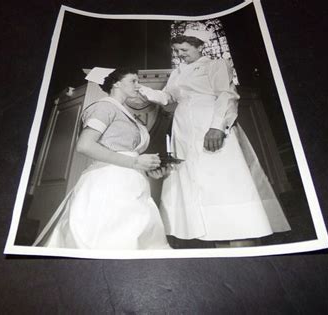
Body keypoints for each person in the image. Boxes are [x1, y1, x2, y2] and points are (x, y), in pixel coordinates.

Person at [140, 29, 291, 244]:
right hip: (184, 132)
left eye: (184, 49)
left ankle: (243, 236)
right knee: (200, 184)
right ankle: (217, 236)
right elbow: (166, 97)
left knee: (223, 182)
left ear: (200, 46)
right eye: (176, 50)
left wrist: (217, 127)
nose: (180, 54)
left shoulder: (216, 65)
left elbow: (226, 95)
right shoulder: (178, 72)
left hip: (210, 126)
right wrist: (141, 89)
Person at [33, 67, 170, 250]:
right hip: (108, 185)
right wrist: (134, 162)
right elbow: (85, 145)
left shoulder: (126, 114)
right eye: (133, 81)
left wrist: (149, 167)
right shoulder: (104, 107)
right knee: (109, 241)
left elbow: (124, 151)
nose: (138, 86)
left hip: (131, 184)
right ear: (116, 84)